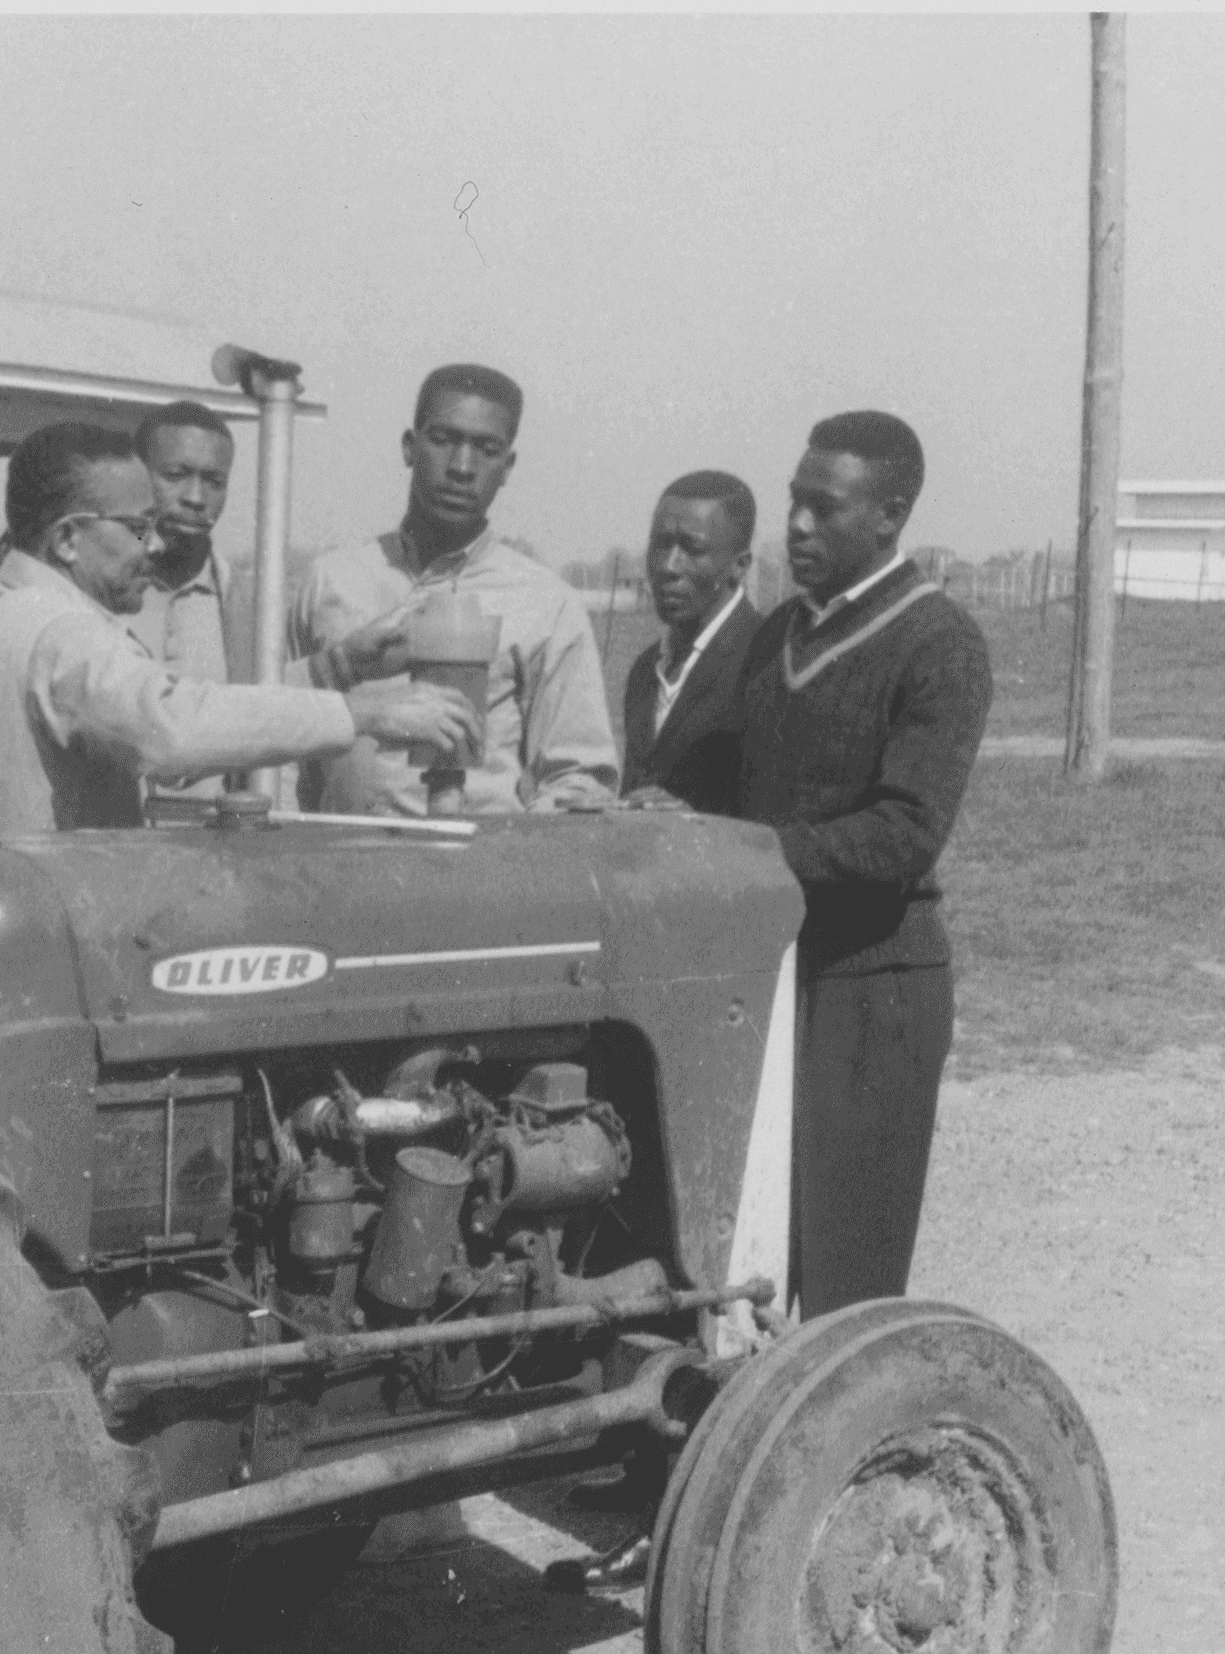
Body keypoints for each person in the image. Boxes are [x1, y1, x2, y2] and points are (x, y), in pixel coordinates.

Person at [733, 410, 992, 1317]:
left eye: (823, 507)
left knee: (848, 1277)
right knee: (751, 1251)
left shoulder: (938, 643)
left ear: (888, 516)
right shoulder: (774, 638)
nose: (796, 526)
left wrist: (750, 856)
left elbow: (903, 835)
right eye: (792, 503)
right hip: (772, 972)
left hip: (871, 989)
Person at [0, 422, 478, 836]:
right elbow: (169, 728)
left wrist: (337, 667)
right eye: (136, 529)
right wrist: (362, 712)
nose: (154, 545)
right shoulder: (60, 632)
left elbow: (185, 715)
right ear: (68, 539)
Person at [287, 363, 620, 816]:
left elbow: (576, 781)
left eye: (487, 449)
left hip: (475, 876)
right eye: (444, 440)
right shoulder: (331, 580)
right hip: (337, 867)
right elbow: (279, 743)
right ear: (410, 447)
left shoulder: (548, 604)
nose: (463, 467)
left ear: (508, 467)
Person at [619, 470, 764, 813]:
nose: (669, 566)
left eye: (692, 549)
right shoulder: (645, 670)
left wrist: (696, 819)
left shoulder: (767, 662)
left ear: (739, 566)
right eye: (660, 545)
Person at [129, 400, 236, 684]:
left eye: (214, 482)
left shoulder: (247, 606)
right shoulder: (94, 590)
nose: (196, 498)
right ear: (137, 474)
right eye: (175, 476)